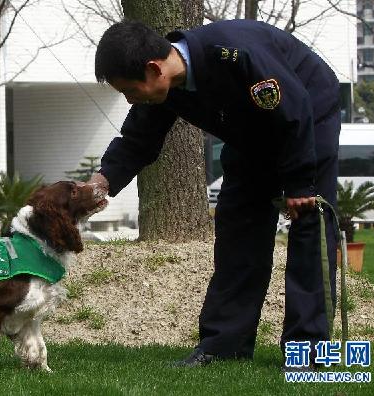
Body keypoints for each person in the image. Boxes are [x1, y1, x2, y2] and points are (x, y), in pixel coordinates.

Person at [88, 19, 340, 368]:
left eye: (130, 91)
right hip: (251, 134)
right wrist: (101, 182)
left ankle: (309, 353)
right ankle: (225, 345)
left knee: (310, 225)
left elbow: (293, 109)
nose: (131, 99)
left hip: (308, 116)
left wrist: (299, 183)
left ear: (153, 68)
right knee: (238, 227)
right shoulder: (165, 86)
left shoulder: (237, 55)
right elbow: (137, 141)